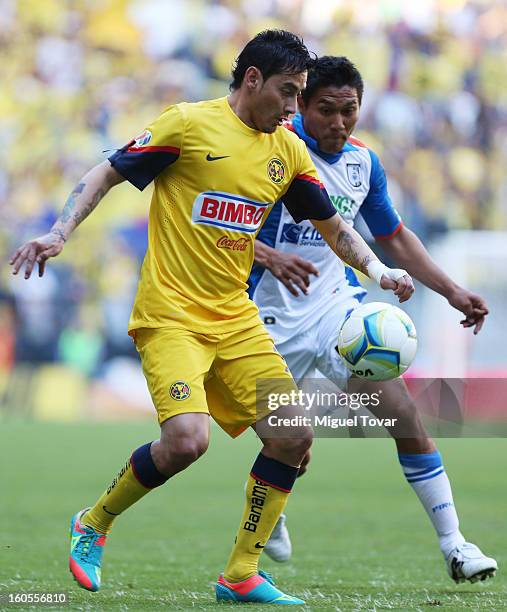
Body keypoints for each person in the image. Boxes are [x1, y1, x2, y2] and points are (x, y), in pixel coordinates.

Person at [9, 34, 414, 605]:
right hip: (171, 315)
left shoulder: (288, 153)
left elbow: (335, 228)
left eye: (301, 96)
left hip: (236, 320)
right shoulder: (186, 125)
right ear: (252, 79)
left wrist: (379, 270)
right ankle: (93, 522)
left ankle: (240, 573)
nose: (294, 109)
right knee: (185, 442)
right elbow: (107, 172)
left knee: (294, 435)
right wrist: (59, 232)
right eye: (288, 93)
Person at [251, 56, 497, 584]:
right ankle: (270, 504)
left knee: (403, 415)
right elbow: (218, 222)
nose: (339, 123)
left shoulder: (364, 163)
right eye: (326, 111)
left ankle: (456, 544)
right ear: (301, 107)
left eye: (349, 111)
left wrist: (451, 291)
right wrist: (268, 258)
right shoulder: (271, 147)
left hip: (336, 309)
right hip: (263, 320)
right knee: (292, 445)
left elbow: (393, 236)